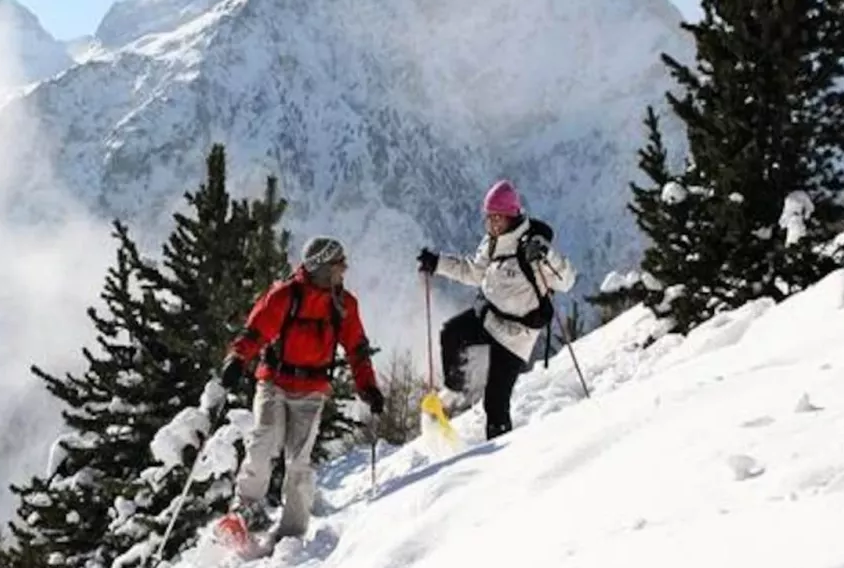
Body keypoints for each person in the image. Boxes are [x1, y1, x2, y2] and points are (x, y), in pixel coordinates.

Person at [217, 236, 385, 539]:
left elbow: (357, 348)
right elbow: (256, 329)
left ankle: (292, 532)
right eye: (338, 265)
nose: (343, 271)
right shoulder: (285, 295)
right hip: (275, 382)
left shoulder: (343, 304)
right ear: (320, 266)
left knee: (299, 459)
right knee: (263, 440)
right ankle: (245, 511)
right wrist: (237, 358)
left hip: (311, 390)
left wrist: (368, 387)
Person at [416, 179, 576, 440]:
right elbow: (473, 271)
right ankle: (454, 392)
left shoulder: (531, 247)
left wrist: (546, 256)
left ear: (512, 216)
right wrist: (437, 263)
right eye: (488, 218)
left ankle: (499, 460)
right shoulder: (492, 241)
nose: (491, 224)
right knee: (451, 333)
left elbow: (567, 281)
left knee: (496, 402)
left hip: (516, 336)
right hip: (491, 316)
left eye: (497, 218)